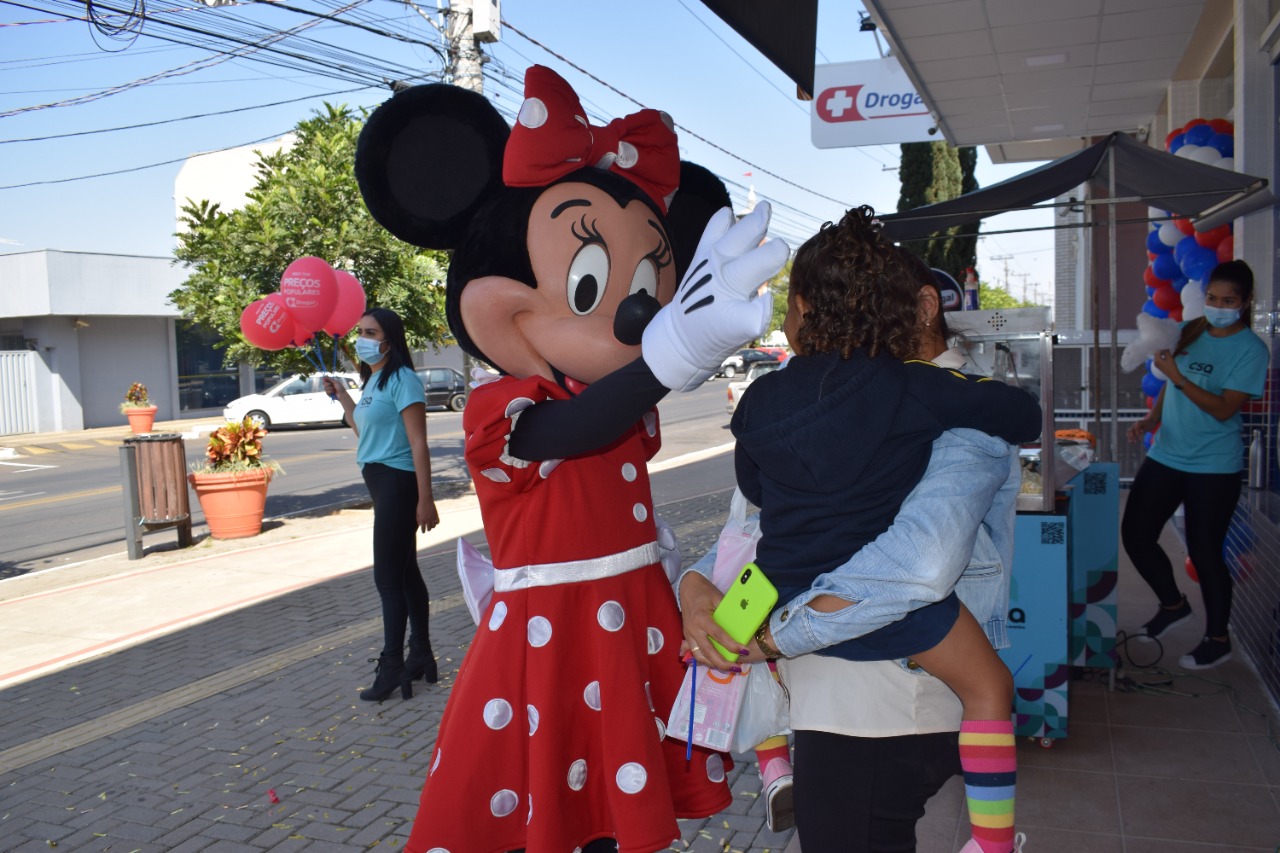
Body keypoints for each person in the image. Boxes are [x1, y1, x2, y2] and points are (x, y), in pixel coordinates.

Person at [352, 66, 787, 852]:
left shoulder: (623, 405)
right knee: (557, 811)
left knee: (615, 818)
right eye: (593, 284)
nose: (632, 313)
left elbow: (615, 447)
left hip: (631, 628)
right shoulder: (500, 411)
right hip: (549, 646)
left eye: (651, 283)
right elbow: (573, 432)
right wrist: (671, 352)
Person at [680, 210, 1040, 853]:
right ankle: (991, 841)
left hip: (794, 602)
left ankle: (770, 767)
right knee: (991, 687)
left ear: (801, 309)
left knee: (723, 647)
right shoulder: (919, 390)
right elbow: (1015, 413)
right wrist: (690, 583)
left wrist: (747, 607)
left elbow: (755, 505)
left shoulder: (760, 401)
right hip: (884, 622)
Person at [1122, 259, 1268, 670]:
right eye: (1212, 298)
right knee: (1135, 534)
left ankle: (1217, 638)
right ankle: (1173, 605)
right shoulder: (1192, 330)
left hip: (1213, 466)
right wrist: (1152, 418)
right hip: (1168, 454)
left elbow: (1224, 409)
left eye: (1228, 300)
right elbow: (1171, 383)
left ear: (1245, 302)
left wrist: (1179, 377)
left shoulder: (1251, 350)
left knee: (1205, 551)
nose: (1218, 306)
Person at [323, 307, 440, 702]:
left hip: (398, 482)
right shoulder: (374, 379)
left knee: (386, 579)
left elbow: (419, 442)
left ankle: (392, 665)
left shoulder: (403, 380)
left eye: (370, 332)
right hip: (379, 478)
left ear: (390, 338)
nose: (363, 339)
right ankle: (420, 653)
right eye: (360, 332)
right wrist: (343, 399)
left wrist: (426, 498)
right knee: (405, 574)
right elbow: (364, 429)